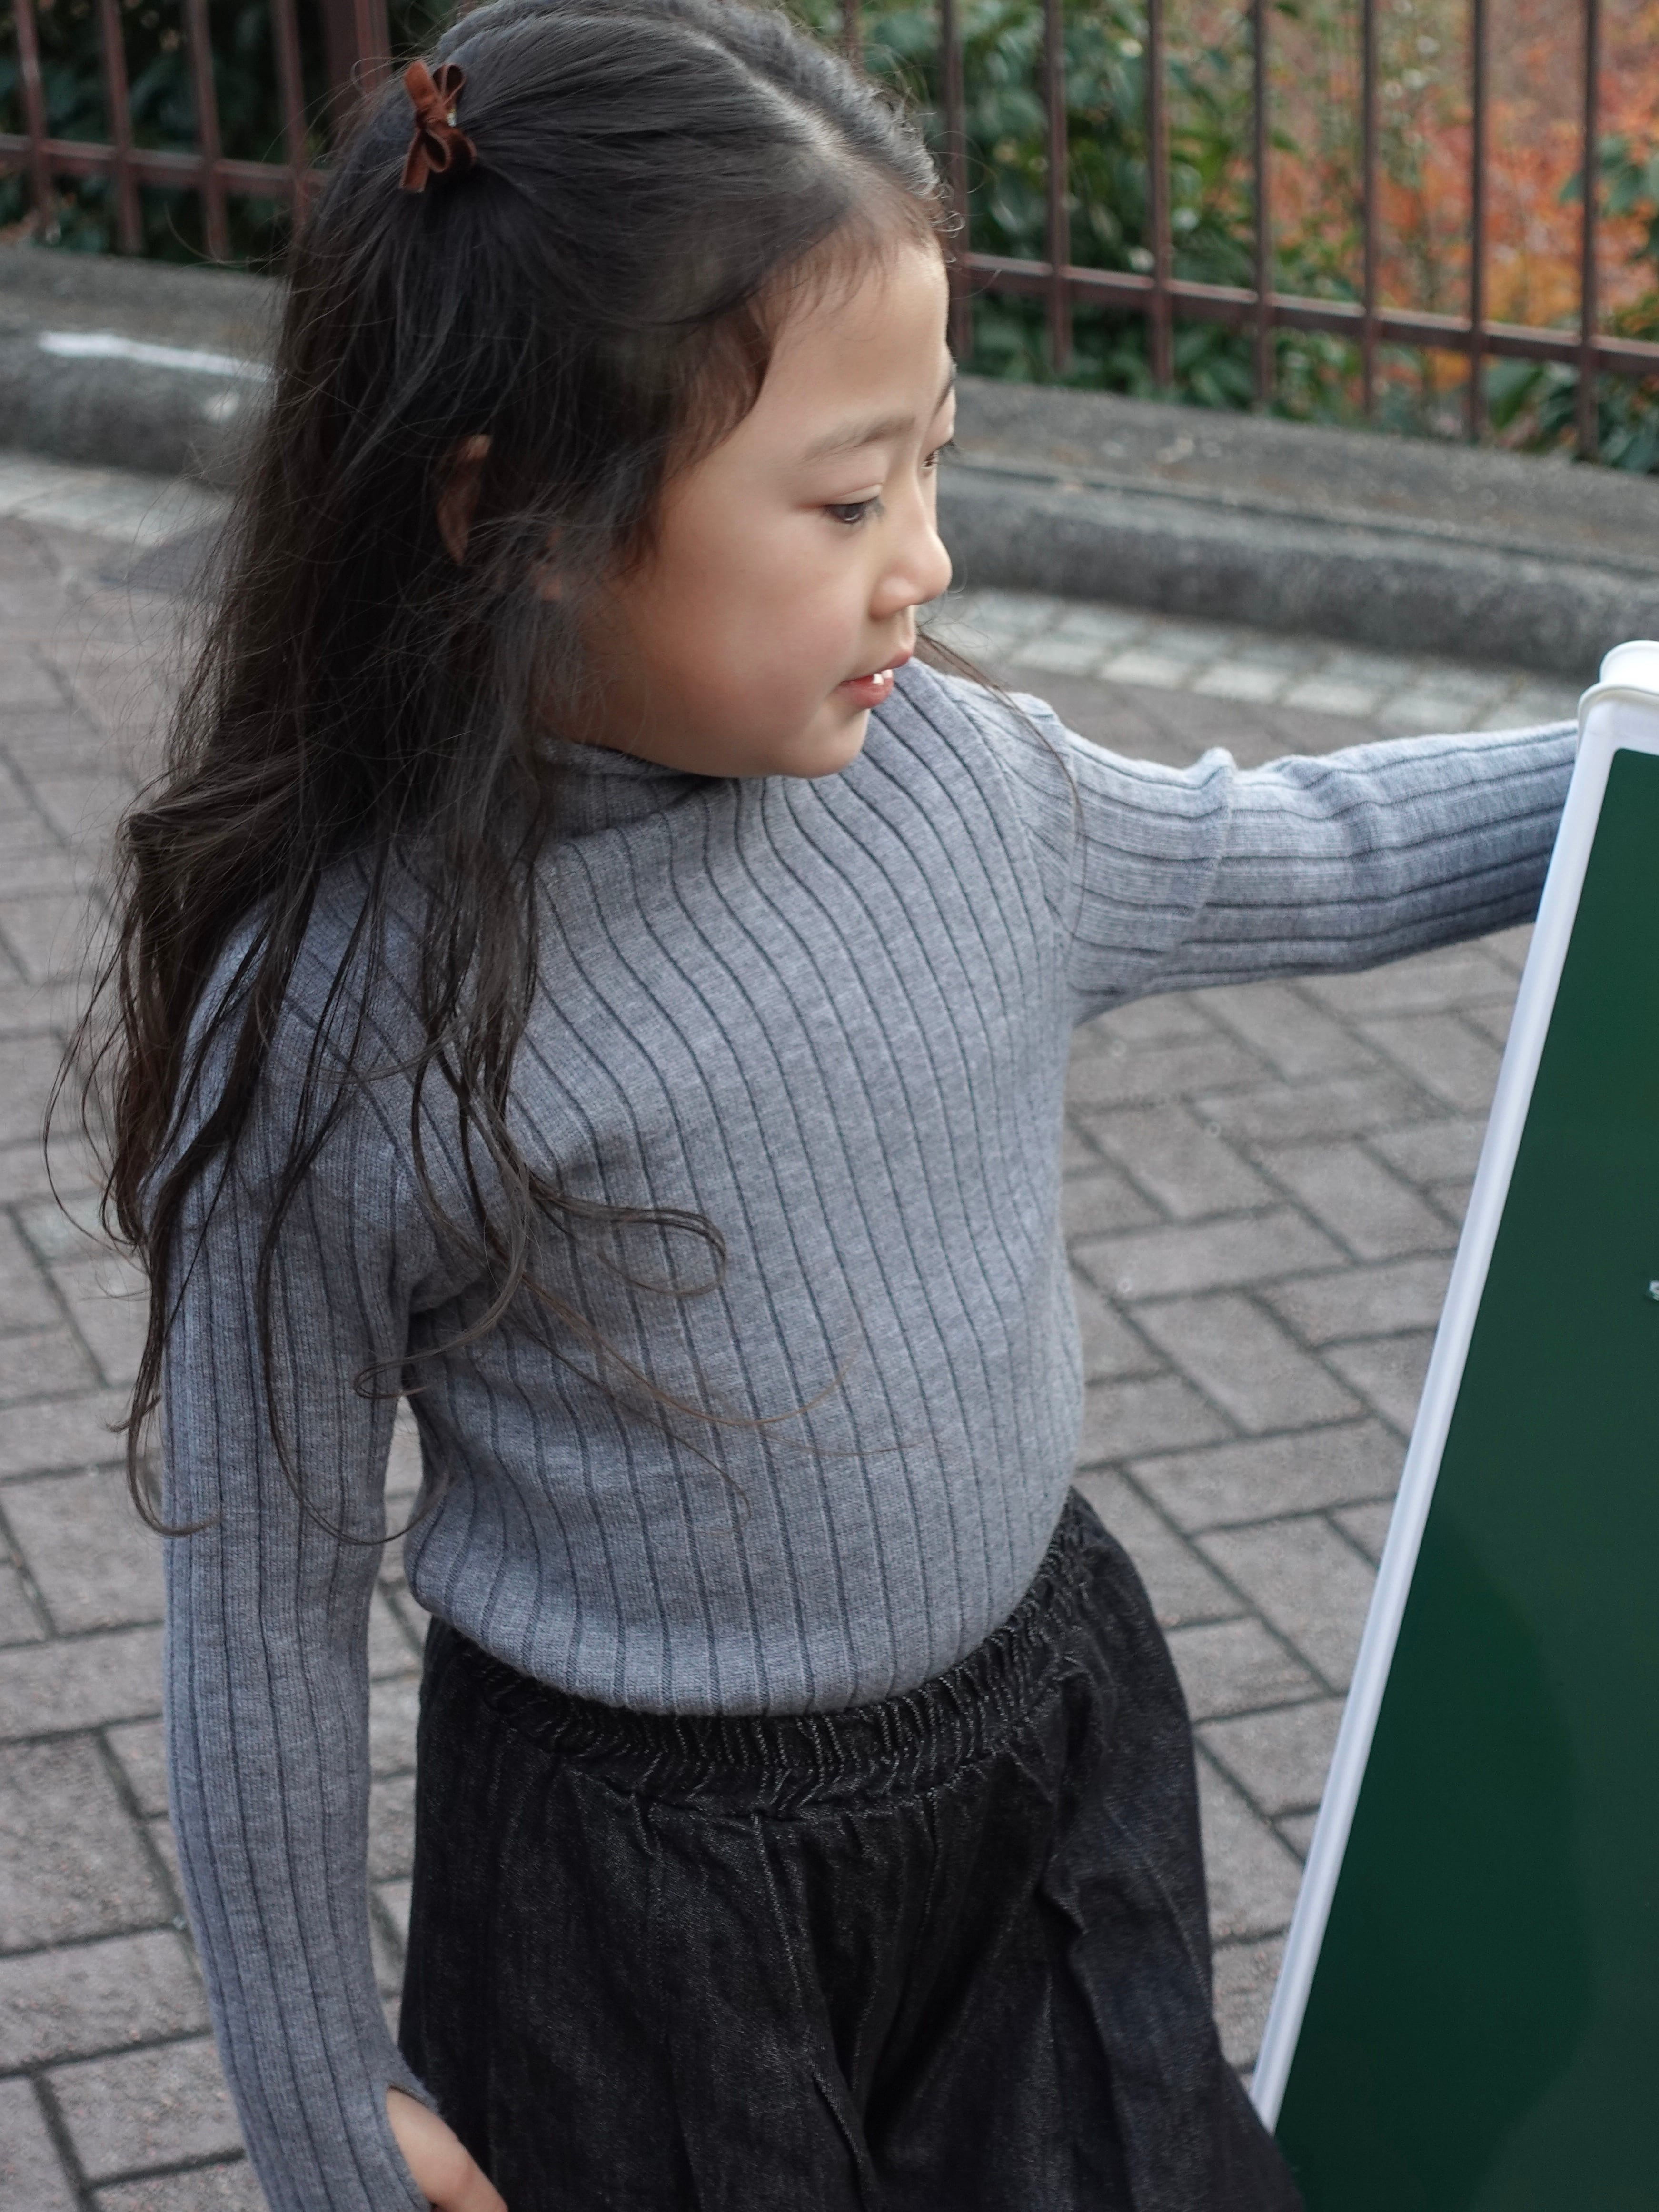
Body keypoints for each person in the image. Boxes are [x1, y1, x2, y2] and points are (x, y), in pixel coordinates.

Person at [86, 1, 1578, 2206]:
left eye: (933, 464)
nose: (925, 561)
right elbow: (260, 1602)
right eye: (846, 496)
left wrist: (1616, 772)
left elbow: (1313, 848)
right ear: (513, 513)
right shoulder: (346, 1015)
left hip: (1038, 1771)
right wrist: (321, 2100)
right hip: (630, 1894)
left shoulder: (966, 786)